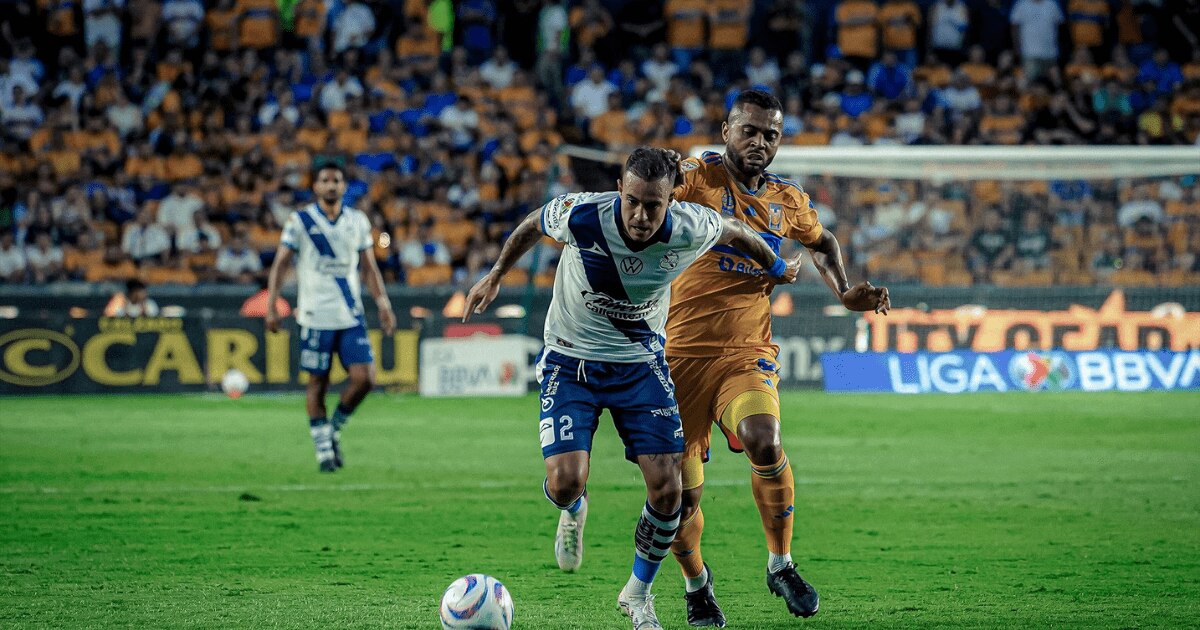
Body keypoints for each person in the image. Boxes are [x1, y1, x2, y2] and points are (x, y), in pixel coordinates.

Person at [462, 147, 800, 630]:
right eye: (633, 201)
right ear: (620, 190)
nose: (642, 215)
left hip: (640, 367)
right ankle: (573, 507)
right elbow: (534, 222)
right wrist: (496, 274)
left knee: (672, 494)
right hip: (570, 361)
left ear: (670, 201)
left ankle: (637, 595)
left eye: (654, 205)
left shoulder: (690, 224)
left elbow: (738, 230)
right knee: (565, 482)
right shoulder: (582, 214)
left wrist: (774, 267)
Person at [665, 90, 891, 626]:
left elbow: (822, 239)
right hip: (676, 359)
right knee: (678, 498)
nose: (760, 141)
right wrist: (663, 172)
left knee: (764, 440)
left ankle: (780, 564)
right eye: (750, 130)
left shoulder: (788, 201)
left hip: (746, 353)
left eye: (771, 133)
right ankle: (697, 585)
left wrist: (842, 290)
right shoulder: (698, 179)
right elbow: (647, 195)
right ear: (726, 131)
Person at [266, 163, 395, 473]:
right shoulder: (300, 221)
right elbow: (281, 264)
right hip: (314, 314)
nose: (331, 185)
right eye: (325, 180)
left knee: (365, 379)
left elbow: (368, 267)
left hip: (350, 313)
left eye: (336, 180)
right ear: (316, 187)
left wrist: (383, 302)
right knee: (318, 384)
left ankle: (332, 429)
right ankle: (323, 449)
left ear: (344, 186)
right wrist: (272, 304)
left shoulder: (357, 221)